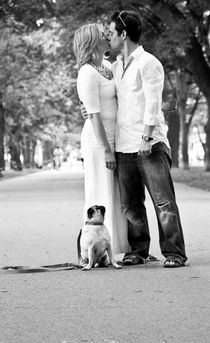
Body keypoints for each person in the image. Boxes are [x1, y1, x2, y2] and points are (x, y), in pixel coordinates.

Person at [108, 10, 188, 267]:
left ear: (123, 34)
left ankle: (175, 253)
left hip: (149, 144)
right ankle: (138, 250)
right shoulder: (117, 66)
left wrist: (146, 136)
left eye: (111, 32)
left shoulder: (149, 63)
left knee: (164, 202)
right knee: (131, 204)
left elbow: (154, 104)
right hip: (124, 145)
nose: (109, 37)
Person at [73, 23, 130, 255]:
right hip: (98, 142)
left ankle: (116, 246)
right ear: (92, 41)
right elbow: (94, 116)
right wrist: (107, 149)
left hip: (114, 137)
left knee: (114, 193)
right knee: (100, 191)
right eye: (101, 33)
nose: (106, 35)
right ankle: (92, 250)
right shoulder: (86, 72)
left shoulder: (106, 66)